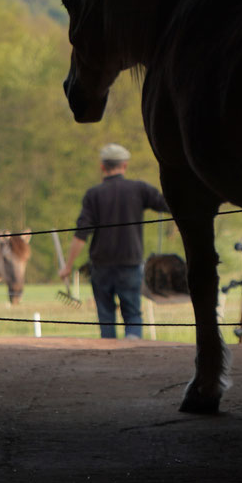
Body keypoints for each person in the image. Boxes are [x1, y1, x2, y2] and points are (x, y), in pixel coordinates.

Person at [60, 144, 171, 340]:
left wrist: (68, 266)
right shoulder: (139, 189)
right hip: (130, 264)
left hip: (101, 266)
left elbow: (81, 234)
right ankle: (133, 351)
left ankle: (109, 355)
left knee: (106, 317)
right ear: (125, 165)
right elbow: (168, 204)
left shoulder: (93, 195)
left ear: (102, 167)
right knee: (132, 314)